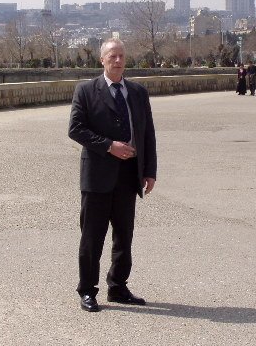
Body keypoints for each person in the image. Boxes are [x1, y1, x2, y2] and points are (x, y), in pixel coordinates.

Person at [68, 38, 157, 313]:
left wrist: (150, 171)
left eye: (121, 56)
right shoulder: (86, 90)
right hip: (97, 176)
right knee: (92, 237)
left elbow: (147, 134)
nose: (117, 60)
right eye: (112, 56)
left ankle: (118, 286)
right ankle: (87, 290)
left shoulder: (138, 92)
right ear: (102, 60)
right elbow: (76, 129)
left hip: (129, 176)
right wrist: (109, 146)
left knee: (124, 236)